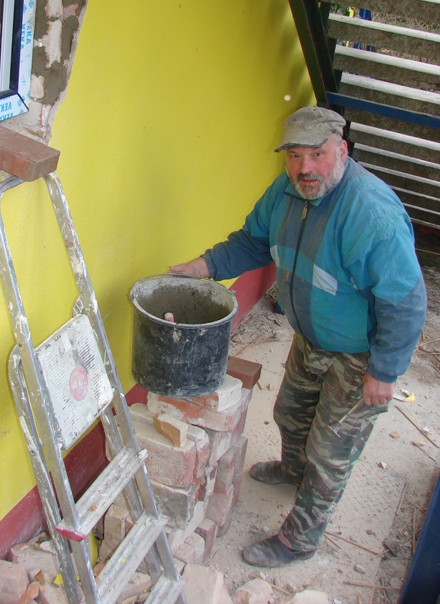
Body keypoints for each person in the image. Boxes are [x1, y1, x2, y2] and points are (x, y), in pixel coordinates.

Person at [171, 106, 427, 568]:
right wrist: (203, 267)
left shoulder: (370, 214)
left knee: (329, 453)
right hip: (310, 337)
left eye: (317, 154)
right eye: (294, 155)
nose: (304, 167)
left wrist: (384, 372)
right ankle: (292, 471)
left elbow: (405, 302)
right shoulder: (286, 192)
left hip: (359, 354)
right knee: (290, 414)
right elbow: (252, 241)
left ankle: (299, 539)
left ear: (341, 150)